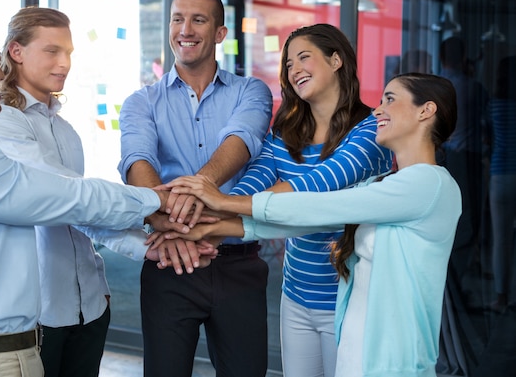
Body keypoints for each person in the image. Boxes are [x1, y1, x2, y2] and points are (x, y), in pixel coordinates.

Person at [0, 8, 196, 377]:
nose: (1, 73)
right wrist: (158, 201)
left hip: (17, 344)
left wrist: (146, 243)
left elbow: (71, 206)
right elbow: (66, 197)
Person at [159, 72, 462, 377]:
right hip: (354, 356)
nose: (378, 110)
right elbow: (304, 222)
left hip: (394, 364)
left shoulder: (431, 185)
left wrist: (224, 202)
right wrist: (216, 230)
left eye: (390, 100)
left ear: (426, 110)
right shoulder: (382, 184)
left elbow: (322, 205)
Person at [117, 0, 273, 377]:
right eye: (177, 18)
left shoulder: (251, 91)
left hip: (239, 264)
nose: (185, 29)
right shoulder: (141, 101)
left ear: (220, 33)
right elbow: (138, 160)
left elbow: (242, 142)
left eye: (198, 20)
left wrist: (190, 199)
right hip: (169, 264)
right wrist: (167, 220)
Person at [226, 24, 392, 377]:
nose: (294, 69)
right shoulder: (285, 131)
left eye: (304, 57)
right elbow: (253, 181)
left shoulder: (371, 130)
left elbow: (319, 184)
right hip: (296, 296)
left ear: (336, 60)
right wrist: (213, 211)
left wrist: (221, 207)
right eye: (288, 64)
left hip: (348, 300)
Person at [438, 36, 489, 281]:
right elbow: (485, 122)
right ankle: (458, 279)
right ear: (464, 56)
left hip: (440, 155)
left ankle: (450, 278)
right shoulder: (473, 87)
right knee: (467, 217)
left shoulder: (435, 86)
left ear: (441, 58)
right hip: (464, 159)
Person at [487, 55, 516, 313]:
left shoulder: (494, 104)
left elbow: (490, 137)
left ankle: (501, 297)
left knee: (501, 240)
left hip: (500, 173)